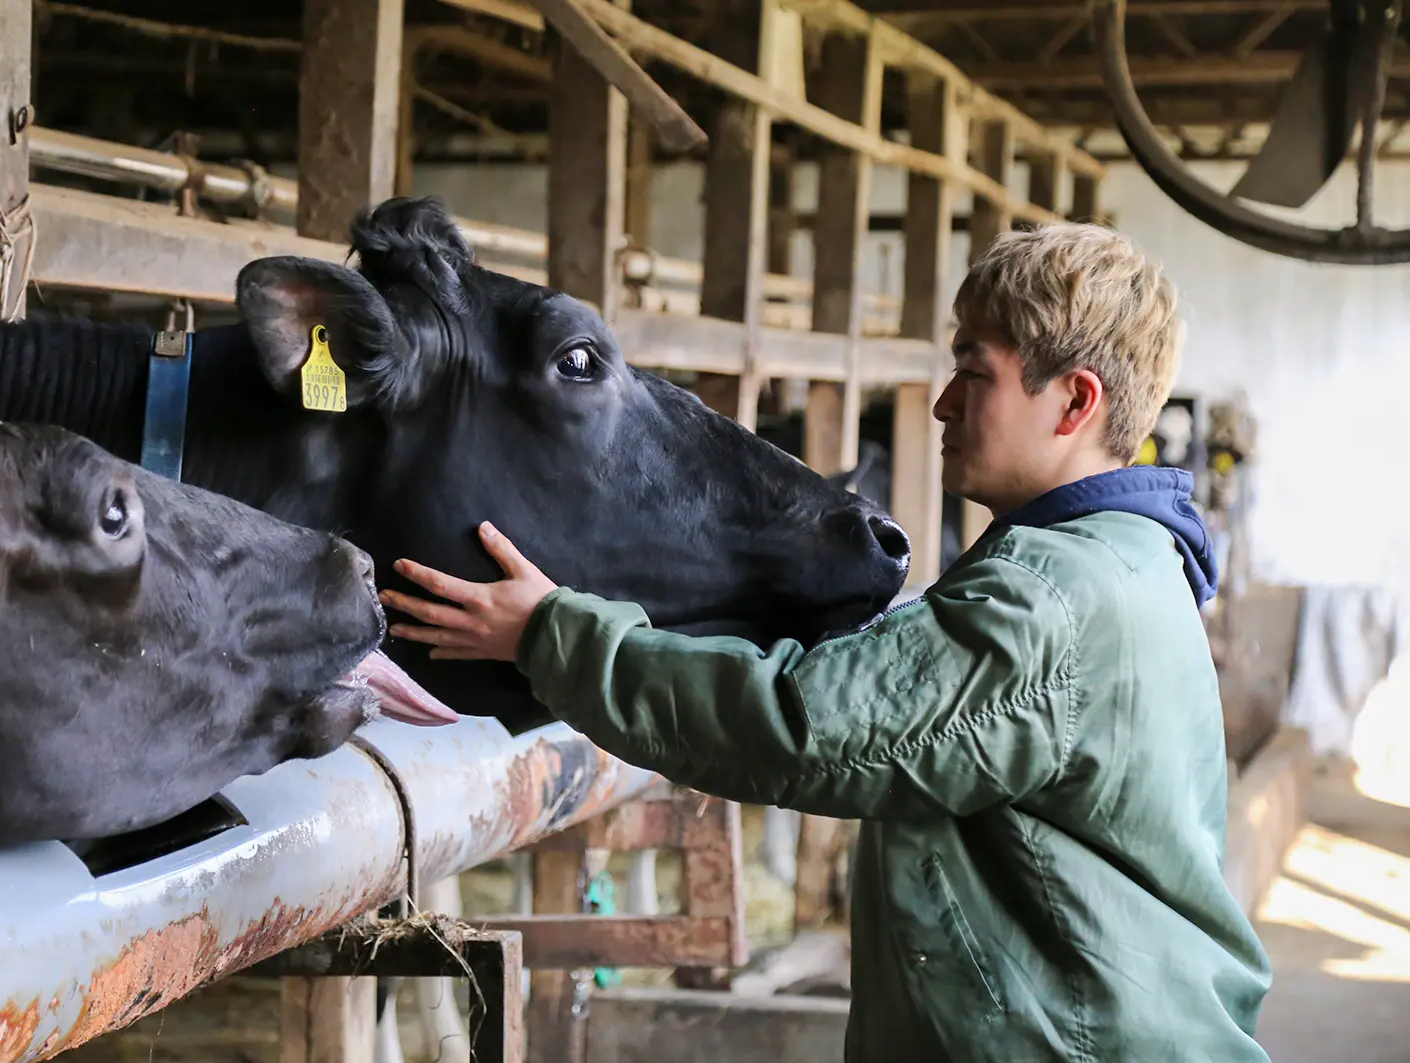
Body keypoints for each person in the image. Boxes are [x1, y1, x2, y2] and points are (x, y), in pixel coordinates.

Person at [378, 222, 1273, 1062]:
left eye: (977, 371)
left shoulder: (1049, 600)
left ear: (1075, 401)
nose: (941, 403)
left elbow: (795, 724)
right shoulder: (1129, 562)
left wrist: (551, 633)